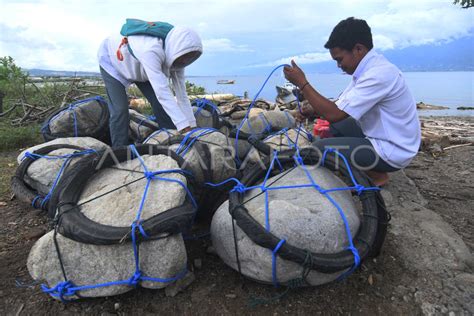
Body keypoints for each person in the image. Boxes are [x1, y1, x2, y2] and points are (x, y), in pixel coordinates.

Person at [283, 17, 421, 186]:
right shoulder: (367, 70)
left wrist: (302, 83)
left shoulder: (379, 74)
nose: (339, 65)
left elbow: (334, 113)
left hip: (393, 151)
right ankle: (374, 173)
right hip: (382, 137)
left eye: (340, 59)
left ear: (358, 49)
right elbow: (340, 105)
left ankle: (377, 174)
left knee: (318, 149)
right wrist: (312, 109)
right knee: (335, 126)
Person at [98, 23, 202, 147]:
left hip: (141, 67)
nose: (185, 60)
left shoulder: (178, 56)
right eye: (185, 56)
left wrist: (191, 125)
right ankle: (119, 151)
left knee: (160, 105)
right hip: (113, 62)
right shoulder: (151, 50)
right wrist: (184, 127)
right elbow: (162, 92)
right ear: (176, 47)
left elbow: (182, 95)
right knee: (120, 109)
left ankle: (171, 139)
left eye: (189, 57)